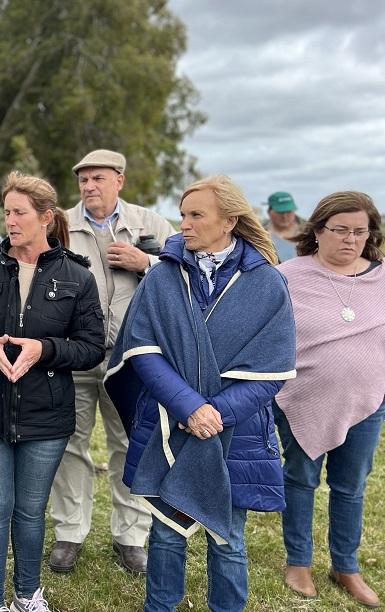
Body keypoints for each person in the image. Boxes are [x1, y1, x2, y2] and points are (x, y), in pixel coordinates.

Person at [105, 175, 296, 612]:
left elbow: (272, 369)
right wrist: (190, 407)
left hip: (234, 429)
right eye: (183, 214)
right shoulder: (162, 276)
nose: (183, 225)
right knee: (166, 536)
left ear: (228, 221)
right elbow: (143, 349)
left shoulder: (266, 282)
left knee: (227, 537)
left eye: (196, 215)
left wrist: (216, 413)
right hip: (170, 424)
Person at [0, 171, 105, 612]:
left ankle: (26, 595)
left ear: (45, 217)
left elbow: (92, 346)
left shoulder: (77, 276)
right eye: (6, 212)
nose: (10, 221)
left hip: (47, 414)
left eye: (19, 213)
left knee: (30, 511)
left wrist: (45, 349)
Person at [48, 149, 175, 575]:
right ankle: (69, 532)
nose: (89, 187)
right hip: (75, 356)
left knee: (130, 446)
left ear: (119, 180)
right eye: (83, 180)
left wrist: (147, 263)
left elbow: (185, 276)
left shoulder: (151, 224)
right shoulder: (61, 225)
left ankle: (130, 537)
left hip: (133, 358)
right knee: (70, 444)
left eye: (98, 178)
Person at [274, 191, 385, 607]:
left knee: (351, 485)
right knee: (300, 478)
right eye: (339, 230)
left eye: (360, 231)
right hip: (303, 398)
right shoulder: (288, 275)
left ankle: (346, 566)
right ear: (317, 231)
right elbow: (269, 336)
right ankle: (298, 561)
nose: (350, 239)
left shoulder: (382, 277)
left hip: (369, 401)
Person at [264, 191, 301, 262]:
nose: (284, 216)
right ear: (269, 212)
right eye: (280, 212)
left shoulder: (310, 232)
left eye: (288, 212)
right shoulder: (260, 235)